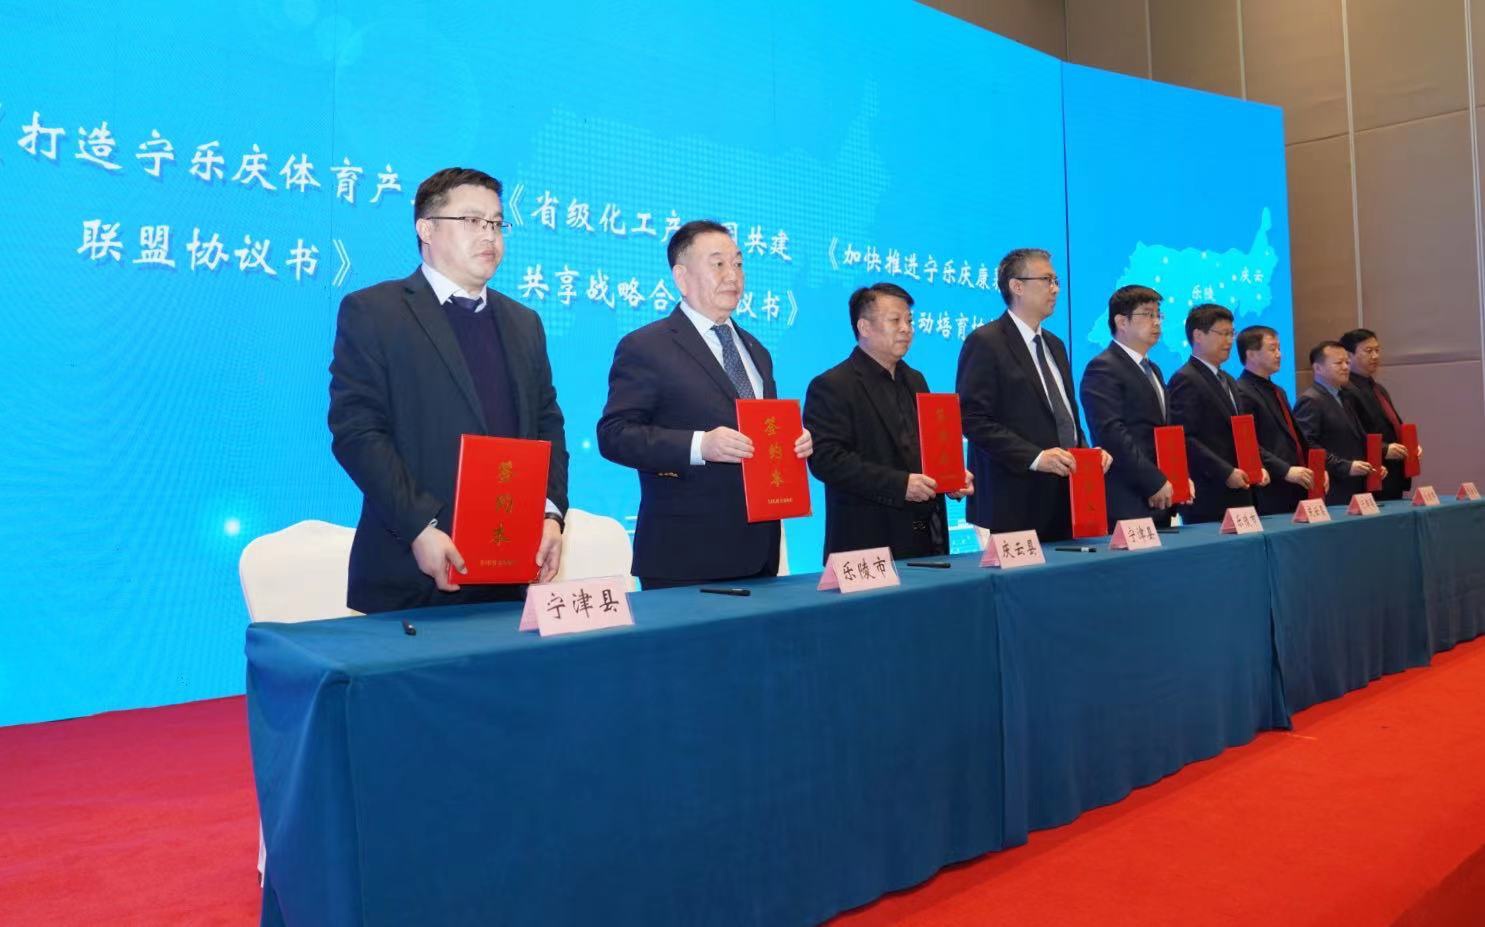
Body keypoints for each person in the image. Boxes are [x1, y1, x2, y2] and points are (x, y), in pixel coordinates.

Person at [328, 167, 568, 613]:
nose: (490, 236)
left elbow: (547, 425)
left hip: (511, 571)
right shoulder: (375, 312)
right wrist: (420, 527)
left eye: (497, 223)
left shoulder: (524, 323)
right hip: (413, 571)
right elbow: (357, 432)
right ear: (426, 229)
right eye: (473, 221)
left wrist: (550, 514)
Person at [597, 220, 812, 589]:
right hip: (686, 556)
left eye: (739, 264)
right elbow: (614, 435)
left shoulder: (757, 350)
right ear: (681, 277)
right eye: (718, 264)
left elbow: (760, 430)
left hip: (760, 550)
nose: (733, 275)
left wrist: (793, 441)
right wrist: (700, 445)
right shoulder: (646, 346)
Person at [803, 282, 973, 561]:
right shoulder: (833, 385)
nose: (907, 329)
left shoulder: (916, 380)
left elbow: (925, 448)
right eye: (895, 320)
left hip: (924, 537)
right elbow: (827, 460)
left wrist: (950, 476)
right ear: (864, 327)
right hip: (867, 544)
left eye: (909, 321)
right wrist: (900, 485)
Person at [955, 248, 1110, 542]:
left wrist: (1087, 453)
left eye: (1056, 281)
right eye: (1047, 280)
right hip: (1014, 500)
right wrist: (1036, 457)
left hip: (1066, 500)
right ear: (1017, 286)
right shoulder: (986, 342)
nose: (1055, 289)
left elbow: (1065, 416)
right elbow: (972, 418)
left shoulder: (1055, 345)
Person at [1079, 284, 1189, 529]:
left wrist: (1178, 478)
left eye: (1158, 315)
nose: (1157, 322)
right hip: (1127, 499)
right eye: (1148, 314)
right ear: (1122, 322)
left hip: (1161, 497)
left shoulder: (1154, 369)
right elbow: (1112, 435)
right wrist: (1153, 481)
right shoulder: (1103, 368)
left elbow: (1162, 432)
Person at [1167, 303, 1267, 524]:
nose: (1229, 341)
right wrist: (1225, 472)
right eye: (1223, 333)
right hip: (1209, 495)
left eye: (1232, 333)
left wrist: (1255, 466)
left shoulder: (1228, 379)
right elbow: (1185, 438)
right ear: (1198, 335)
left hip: (1241, 491)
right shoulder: (1185, 378)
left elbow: (1239, 434)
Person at [1233, 325, 1318, 514]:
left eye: (1279, 348)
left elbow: (1295, 437)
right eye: (1272, 349)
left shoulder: (1278, 390)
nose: (1279, 354)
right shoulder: (1241, 391)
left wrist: (1316, 469)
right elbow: (1249, 444)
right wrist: (1285, 470)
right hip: (1270, 487)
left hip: (1297, 484)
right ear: (1251, 354)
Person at [1294, 340, 1384, 505]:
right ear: (1318, 368)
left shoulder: (1345, 396)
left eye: (1347, 362)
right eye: (1338, 363)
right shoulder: (1310, 400)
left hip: (1355, 487)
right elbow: (1308, 444)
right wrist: (1345, 466)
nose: (1345, 367)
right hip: (1333, 489)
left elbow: (1357, 438)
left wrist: (1372, 465)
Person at [1341, 328, 1418, 500]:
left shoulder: (1378, 388)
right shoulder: (1346, 390)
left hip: (1393, 473)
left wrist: (1410, 446)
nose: (1375, 356)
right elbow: (1353, 435)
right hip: (1370, 475)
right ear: (1349, 355)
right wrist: (1384, 449)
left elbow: (1393, 425)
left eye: (1377, 350)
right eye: (1368, 351)